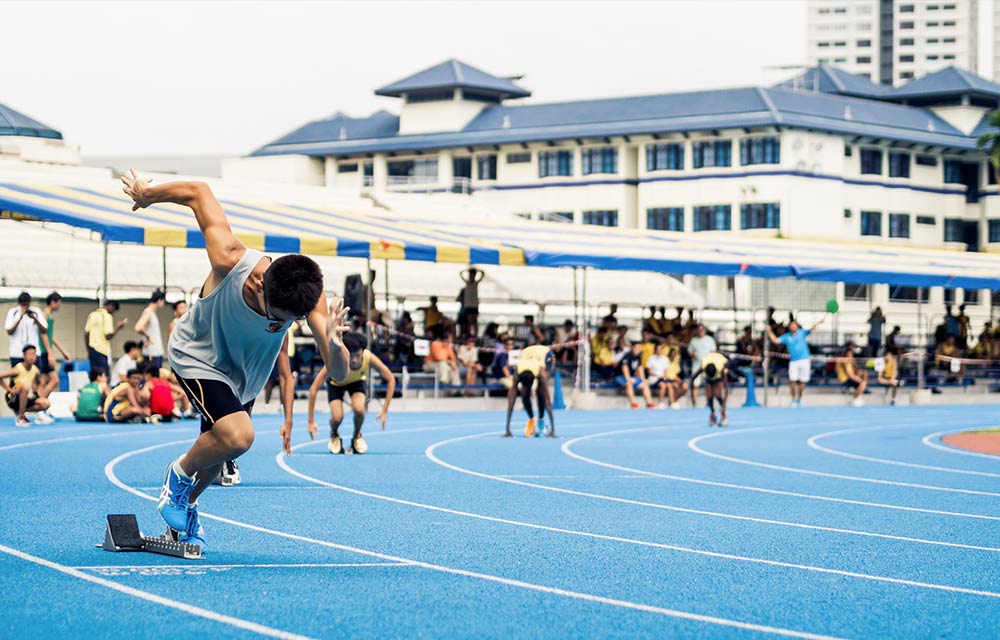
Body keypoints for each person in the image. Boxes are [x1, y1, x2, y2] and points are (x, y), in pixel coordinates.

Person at [121, 170, 351, 552]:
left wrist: (333, 342)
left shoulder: (308, 298)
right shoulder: (230, 259)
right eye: (277, 317)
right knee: (238, 436)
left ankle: (187, 506)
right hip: (196, 354)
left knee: (220, 446)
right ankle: (177, 475)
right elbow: (198, 191)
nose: (281, 325)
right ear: (261, 284)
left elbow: (339, 374)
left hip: (242, 374)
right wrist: (148, 194)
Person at [307, 332, 395, 455]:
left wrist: (384, 410)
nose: (354, 360)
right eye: (351, 356)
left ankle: (357, 436)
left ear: (363, 352)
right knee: (337, 417)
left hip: (356, 382)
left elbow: (391, 379)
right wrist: (311, 420)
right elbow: (313, 388)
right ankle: (334, 433)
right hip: (336, 384)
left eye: (358, 355)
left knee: (359, 409)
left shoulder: (369, 357)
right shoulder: (336, 359)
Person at [766, 316, 825, 408]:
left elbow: (812, 327)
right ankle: (793, 400)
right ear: (789, 327)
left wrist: (819, 322)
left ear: (797, 326)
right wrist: (769, 331)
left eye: (795, 325)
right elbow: (776, 341)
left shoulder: (802, 333)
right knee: (792, 381)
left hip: (805, 360)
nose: (793, 326)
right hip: (794, 362)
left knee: (803, 381)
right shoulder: (786, 336)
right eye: (791, 325)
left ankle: (799, 400)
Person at [503, 344, 556, 438]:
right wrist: (507, 429)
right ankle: (532, 418)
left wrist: (553, 430)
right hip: (526, 353)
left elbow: (547, 400)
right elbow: (511, 401)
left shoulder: (540, 372)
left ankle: (541, 419)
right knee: (524, 394)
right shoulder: (517, 371)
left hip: (545, 354)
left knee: (541, 392)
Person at [1, 345, 51, 426]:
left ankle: (21, 411)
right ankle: (20, 417)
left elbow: (38, 384)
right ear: (24, 356)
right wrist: (9, 390)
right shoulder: (17, 370)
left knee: (46, 403)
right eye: (29, 354)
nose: (32, 357)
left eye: (34, 354)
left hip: (25, 397)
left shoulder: (35, 370)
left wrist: (38, 394)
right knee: (26, 386)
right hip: (12, 398)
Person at [37, 292, 72, 401]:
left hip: (45, 351)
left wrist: (63, 351)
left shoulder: (49, 316)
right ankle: (39, 405)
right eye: (59, 303)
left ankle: (39, 406)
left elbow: (51, 336)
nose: (60, 306)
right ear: (53, 302)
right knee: (53, 380)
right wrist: (49, 353)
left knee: (44, 380)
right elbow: (43, 335)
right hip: (43, 351)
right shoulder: (44, 315)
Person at [6, 292, 50, 367]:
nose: (25, 307)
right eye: (23, 305)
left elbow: (44, 330)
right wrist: (20, 317)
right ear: (19, 303)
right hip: (17, 353)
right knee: (17, 377)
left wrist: (35, 319)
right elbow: (9, 331)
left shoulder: (36, 311)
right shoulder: (13, 312)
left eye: (27, 304)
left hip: (33, 354)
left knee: (36, 376)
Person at [84, 300, 127, 374]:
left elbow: (86, 333)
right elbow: (108, 336)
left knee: (95, 376)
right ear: (111, 306)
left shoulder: (92, 315)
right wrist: (118, 327)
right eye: (114, 310)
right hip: (102, 350)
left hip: (92, 349)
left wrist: (88, 350)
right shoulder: (107, 316)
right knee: (104, 376)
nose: (113, 313)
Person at [690, 351, 730, 427]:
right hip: (709, 369)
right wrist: (692, 394)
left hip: (719, 373)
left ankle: (724, 415)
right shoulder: (703, 365)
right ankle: (712, 413)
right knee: (709, 396)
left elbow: (725, 387)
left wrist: (724, 404)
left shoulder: (722, 367)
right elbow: (692, 378)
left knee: (717, 394)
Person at [646, 342, 687, 409]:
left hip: (662, 378)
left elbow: (665, 372)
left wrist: (663, 377)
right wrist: (658, 375)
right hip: (653, 378)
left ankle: (672, 403)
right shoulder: (651, 358)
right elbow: (649, 371)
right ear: (655, 350)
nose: (659, 351)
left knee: (670, 385)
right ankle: (660, 403)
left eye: (660, 349)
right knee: (663, 385)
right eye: (658, 349)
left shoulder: (664, 359)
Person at [617, 342, 657, 409]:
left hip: (631, 377)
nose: (639, 349)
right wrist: (628, 379)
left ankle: (649, 403)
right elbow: (624, 367)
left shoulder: (638, 357)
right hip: (620, 376)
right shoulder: (628, 356)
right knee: (629, 384)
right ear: (632, 348)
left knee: (645, 385)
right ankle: (633, 404)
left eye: (639, 347)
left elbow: (640, 368)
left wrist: (643, 379)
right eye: (637, 347)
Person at [135, 289, 167, 369]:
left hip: (154, 351)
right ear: (159, 300)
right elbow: (138, 327)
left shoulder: (151, 313)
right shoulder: (148, 312)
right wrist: (148, 337)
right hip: (152, 352)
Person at [687, 324, 717, 406]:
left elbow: (713, 351)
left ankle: (709, 402)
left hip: (707, 365)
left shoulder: (710, 340)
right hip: (696, 365)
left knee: (708, 384)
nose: (700, 332)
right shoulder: (693, 340)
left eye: (702, 330)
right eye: (699, 330)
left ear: (704, 331)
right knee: (695, 384)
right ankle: (694, 403)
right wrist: (692, 354)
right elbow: (689, 351)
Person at [459, 267, 484, 338]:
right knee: (470, 321)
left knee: (475, 321)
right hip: (468, 305)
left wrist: (477, 269)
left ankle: (475, 335)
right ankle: (469, 334)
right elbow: (460, 274)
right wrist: (466, 269)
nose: (472, 276)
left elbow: (483, 274)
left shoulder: (476, 283)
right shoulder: (467, 283)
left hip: (474, 305)